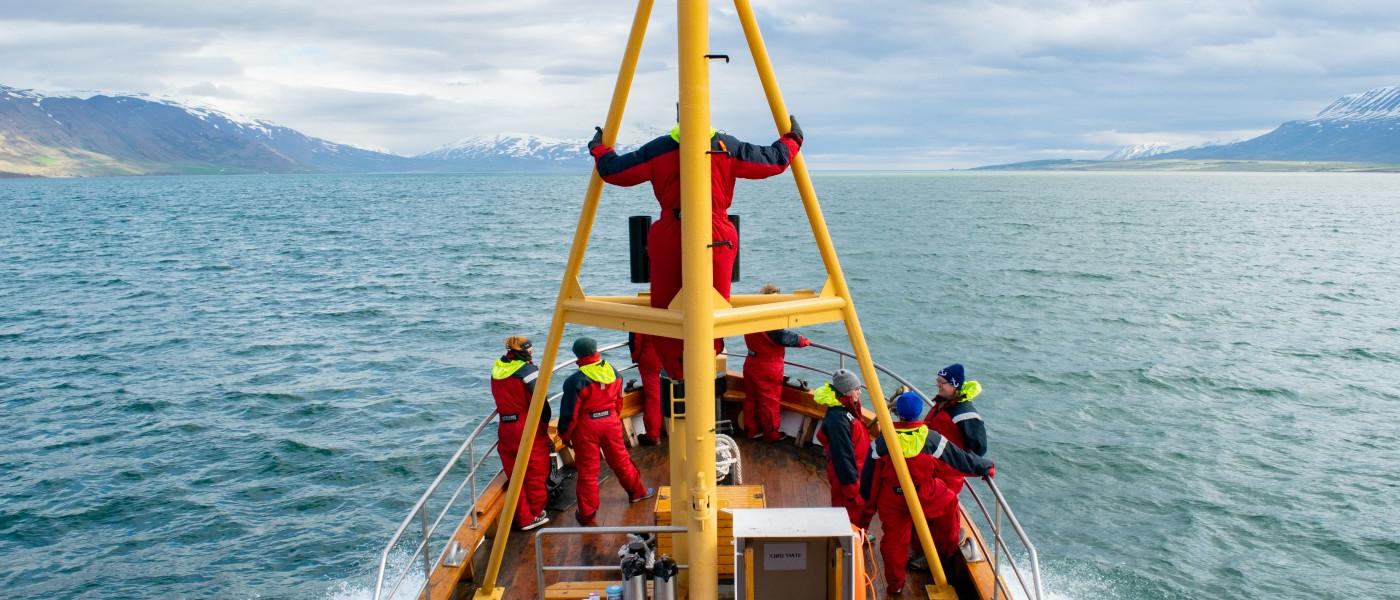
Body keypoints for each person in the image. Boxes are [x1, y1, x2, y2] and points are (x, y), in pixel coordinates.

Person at [588, 118, 804, 378]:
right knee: (712, 308)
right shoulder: (728, 146)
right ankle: (702, 365)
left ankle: (676, 371)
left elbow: (615, 172)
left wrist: (599, 149)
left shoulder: (659, 148)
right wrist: (793, 139)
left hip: (671, 233)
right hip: (716, 232)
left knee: (666, 312)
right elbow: (774, 161)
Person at [858, 392, 995, 594]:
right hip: (925, 493)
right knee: (949, 502)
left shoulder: (881, 441)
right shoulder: (931, 439)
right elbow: (960, 459)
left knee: (894, 543)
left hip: (893, 499)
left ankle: (895, 586)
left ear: (897, 414)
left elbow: (869, 477)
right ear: (919, 414)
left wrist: (867, 509)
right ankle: (948, 547)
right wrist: (986, 467)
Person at [558, 337, 656, 526]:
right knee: (621, 460)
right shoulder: (613, 371)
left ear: (577, 355)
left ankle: (587, 515)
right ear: (596, 351)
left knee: (588, 472)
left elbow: (570, 414)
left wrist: (565, 435)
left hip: (587, 426)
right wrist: (611, 417)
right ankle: (637, 492)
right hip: (610, 421)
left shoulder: (575, 381)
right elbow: (619, 401)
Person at [490, 336, 551, 531]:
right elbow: (541, 404)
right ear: (523, 351)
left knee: (515, 475)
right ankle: (534, 514)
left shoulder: (497, 369)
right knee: (536, 472)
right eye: (530, 350)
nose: (532, 353)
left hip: (505, 428)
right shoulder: (528, 371)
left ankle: (522, 516)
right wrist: (544, 425)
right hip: (526, 428)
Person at [741, 284, 811, 441]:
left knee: (751, 399)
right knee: (770, 402)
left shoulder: (751, 316)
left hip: (751, 362)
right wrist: (803, 341)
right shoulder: (770, 321)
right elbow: (784, 337)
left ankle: (751, 430)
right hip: (768, 367)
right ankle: (772, 434)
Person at [921, 363, 987, 495]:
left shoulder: (966, 415)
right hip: (930, 467)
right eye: (937, 381)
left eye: (942, 382)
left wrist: (954, 460)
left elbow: (979, 448)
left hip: (945, 476)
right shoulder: (943, 402)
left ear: (954, 385)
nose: (938, 385)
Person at [815, 368, 870, 524]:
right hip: (847, 474)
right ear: (846, 392)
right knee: (848, 508)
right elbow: (842, 455)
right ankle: (846, 539)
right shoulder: (839, 419)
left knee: (852, 508)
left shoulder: (846, 409)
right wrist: (851, 486)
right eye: (856, 389)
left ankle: (856, 534)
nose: (860, 393)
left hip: (855, 468)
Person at [627, 331, 665, 446]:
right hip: (674, 356)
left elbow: (636, 339)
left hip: (652, 358)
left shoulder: (645, 313)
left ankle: (653, 435)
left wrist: (636, 357)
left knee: (654, 397)